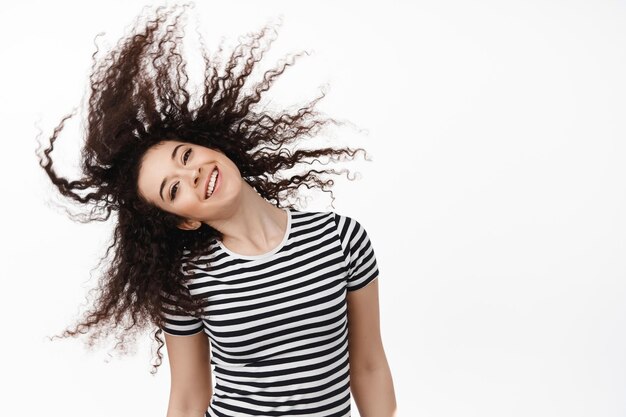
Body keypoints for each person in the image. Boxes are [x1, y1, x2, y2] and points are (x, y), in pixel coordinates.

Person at [37, 5, 397, 417]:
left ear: (214, 145)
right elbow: (189, 398)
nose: (192, 174)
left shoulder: (341, 239)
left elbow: (368, 366)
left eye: (186, 155)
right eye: (173, 189)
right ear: (185, 220)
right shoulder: (187, 280)